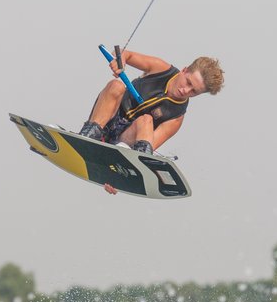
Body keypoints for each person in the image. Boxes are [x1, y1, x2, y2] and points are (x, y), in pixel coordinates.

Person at [78, 49, 224, 194]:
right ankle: (88, 136)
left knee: (147, 120)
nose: (186, 90)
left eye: (194, 91)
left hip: (124, 141)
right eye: (188, 82)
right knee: (116, 85)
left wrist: (117, 179)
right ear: (184, 70)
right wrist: (120, 60)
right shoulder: (161, 68)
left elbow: (149, 146)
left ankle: (122, 158)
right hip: (106, 119)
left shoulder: (176, 118)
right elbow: (127, 55)